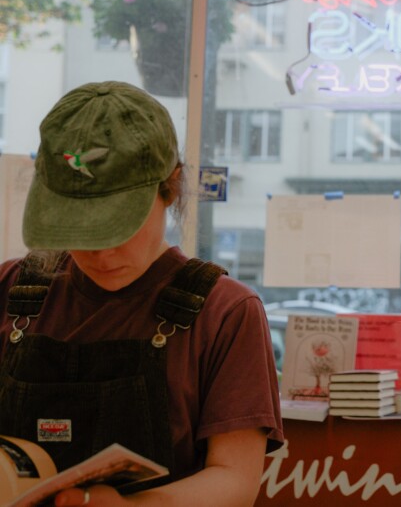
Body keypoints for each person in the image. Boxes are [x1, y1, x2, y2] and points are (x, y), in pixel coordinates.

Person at [0, 82, 283, 506]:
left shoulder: (226, 312)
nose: (100, 251)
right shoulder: (10, 289)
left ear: (170, 186)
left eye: (118, 225)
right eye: (77, 227)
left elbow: (235, 479)